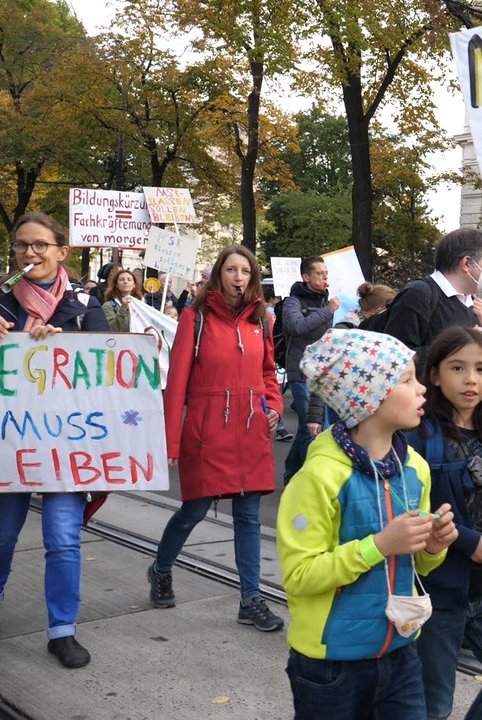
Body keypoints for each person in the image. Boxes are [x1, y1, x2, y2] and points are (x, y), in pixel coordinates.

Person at [278, 328, 457, 720]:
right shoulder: (318, 478)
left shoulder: (416, 469)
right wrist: (379, 546)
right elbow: (299, 576)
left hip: (401, 651)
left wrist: (432, 547)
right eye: (407, 380)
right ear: (368, 398)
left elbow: (418, 566)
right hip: (331, 664)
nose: (422, 389)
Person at [0, 213, 110, 669]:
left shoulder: (85, 306)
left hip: (66, 444)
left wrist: (65, 347)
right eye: (23, 245)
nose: (31, 253)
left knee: (63, 538)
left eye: (41, 245)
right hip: (9, 442)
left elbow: (108, 369)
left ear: (61, 252)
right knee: (3, 532)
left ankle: (63, 630)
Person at [145, 246, 286, 633]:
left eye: (245, 271)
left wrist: (273, 405)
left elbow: (268, 372)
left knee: (249, 516)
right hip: (208, 430)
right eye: (231, 270)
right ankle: (161, 568)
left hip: (251, 430)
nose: (239, 277)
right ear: (219, 275)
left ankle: (251, 599)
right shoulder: (196, 318)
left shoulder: (262, 319)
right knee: (193, 510)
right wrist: (171, 442)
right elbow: (177, 383)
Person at [406, 327, 482, 720]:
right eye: (457, 368)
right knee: (435, 704)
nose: (471, 379)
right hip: (438, 591)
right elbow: (412, 507)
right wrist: (468, 541)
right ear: (435, 375)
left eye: (481, 369)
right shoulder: (419, 436)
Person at [372, 227, 482, 359]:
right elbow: (396, 357)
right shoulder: (418, 294)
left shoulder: (472, 303)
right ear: (466, 263)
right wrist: (458, 347)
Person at [301, 282, 399, 437]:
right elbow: (321, 371)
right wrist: (315, 417)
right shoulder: (343, 331)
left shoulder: (379, 332)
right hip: (343, 407)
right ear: (380, 310)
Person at [281, 256, 340, 483]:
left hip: (321, 373)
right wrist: (327, 311)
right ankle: (308, 479)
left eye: (326, 273)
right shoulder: (293, 301)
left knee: (309, 426)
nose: (325, 277)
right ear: (306, 277)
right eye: (319, 273)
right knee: (311, 425)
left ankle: (291, 472)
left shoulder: (326, 300)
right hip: (300, 371)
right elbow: (296, 327)